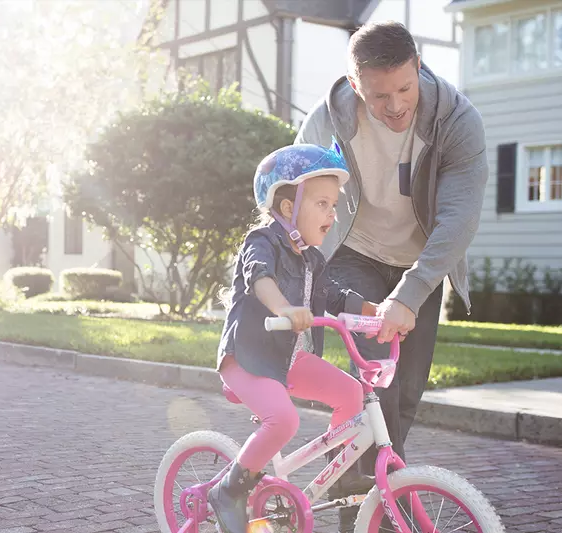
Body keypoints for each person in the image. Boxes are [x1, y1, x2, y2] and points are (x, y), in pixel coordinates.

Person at [294, 20, 489, 531]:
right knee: (378, 381)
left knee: (404, 396)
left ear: (418, 68)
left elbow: (459, 219)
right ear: (357, 85)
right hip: (354, 254)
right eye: (380, 95)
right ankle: (381, 508)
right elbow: (288, 192)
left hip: (420, 264)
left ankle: (357, 498)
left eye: (405, 88)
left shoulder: (456, 121)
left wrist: (413, 292)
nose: (396, 105)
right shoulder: (329, 119)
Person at [208, 141, 381, 533]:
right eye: (322, 204)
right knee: (284, 420)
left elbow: (334, 294)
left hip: (290, 358)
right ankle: (227, 492)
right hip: (248, 356)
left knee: (352, 394)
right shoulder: (262, 242)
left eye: (334, 205)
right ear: (288, 208)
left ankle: (342, 474)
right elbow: (259, 277)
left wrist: (371, 310)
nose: (332, 215)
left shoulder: (311, 258)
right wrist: (284, 308)